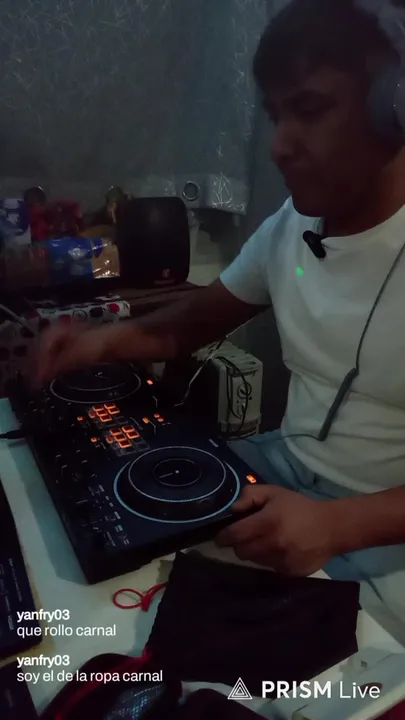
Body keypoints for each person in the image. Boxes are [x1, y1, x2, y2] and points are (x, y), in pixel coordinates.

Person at [34, 0, 405, 642]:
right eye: (275, 116)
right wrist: (91, 344)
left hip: (383, 536)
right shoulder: (290, 226)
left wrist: (337, 525)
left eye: (310, 109)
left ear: (391, 111)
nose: (280, 146)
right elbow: (184, 326)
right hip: (281, 475)